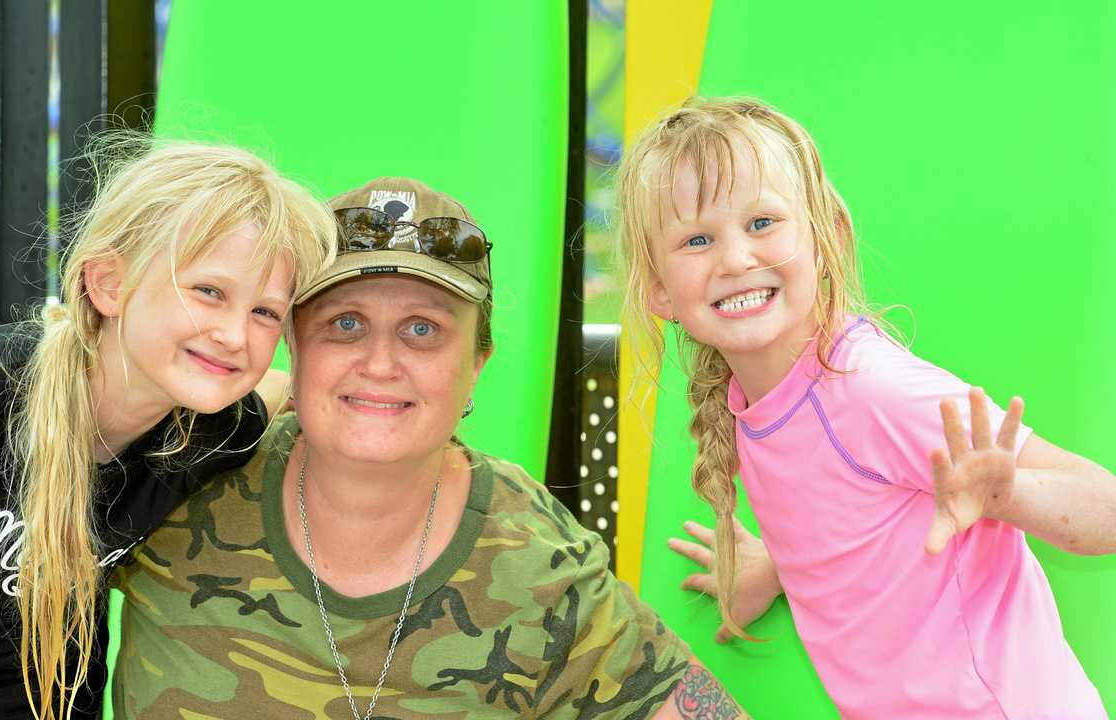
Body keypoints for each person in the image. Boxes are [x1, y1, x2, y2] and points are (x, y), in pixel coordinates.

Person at [111, 177, 745, 719]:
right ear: (294, 348)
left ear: (476, 365)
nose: (380, 363)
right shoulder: (178, 470)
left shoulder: (536, 562)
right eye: (345, 324)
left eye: (423, 330)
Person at [617, 96, 1114, 718]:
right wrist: (777, 568)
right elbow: (846, 514)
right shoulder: (751, 399)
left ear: (826, 236)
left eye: (763, 223)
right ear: (660, 289)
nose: (735, 258)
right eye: (697, 239)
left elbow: (1107, 509)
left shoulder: (874, 390)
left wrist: (1009, 495)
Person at [0, 138, 336, 719]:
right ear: (108, 284)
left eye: (265, 312)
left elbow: (274, 390)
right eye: (209, 292)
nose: (234, 334)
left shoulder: (215, 426)